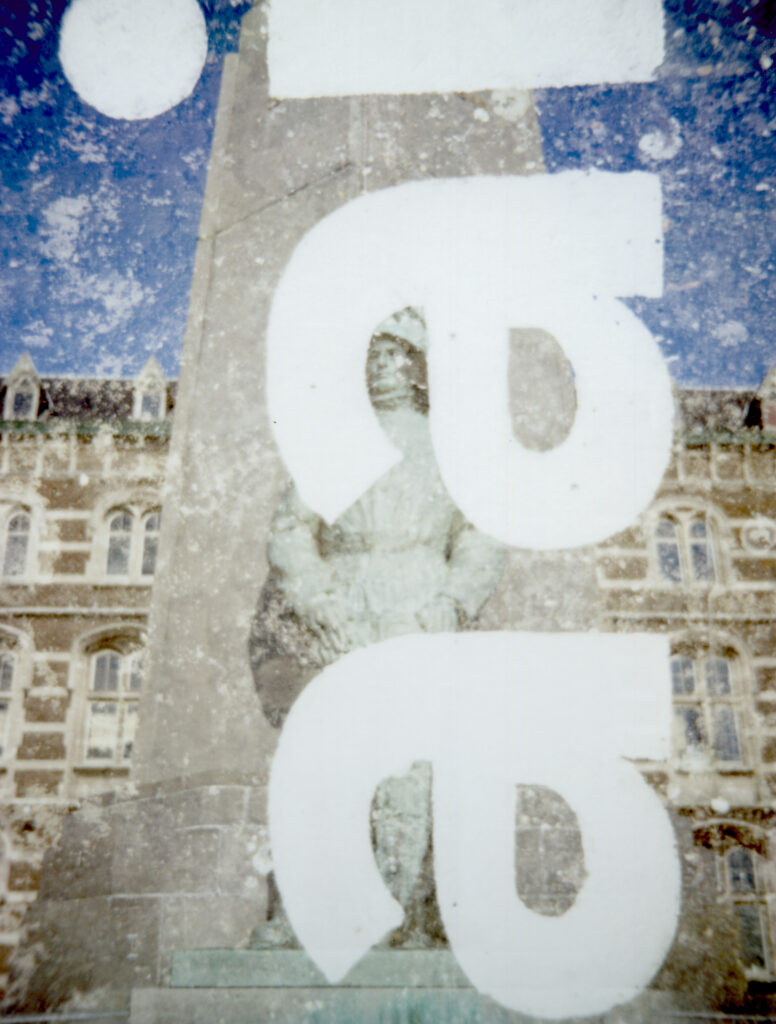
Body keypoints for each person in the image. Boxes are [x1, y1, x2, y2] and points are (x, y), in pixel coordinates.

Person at [248, 307, 505, 947]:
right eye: (377, 357)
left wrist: (453, 600)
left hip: (419, 600)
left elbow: (480, 537)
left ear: (421, 367)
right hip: (343, 603)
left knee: (409, 771)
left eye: (399, 356)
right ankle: (306, 908)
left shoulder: (454, 449)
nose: (387, 369)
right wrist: (319, 599)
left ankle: (398, 908)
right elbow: (290, 532)